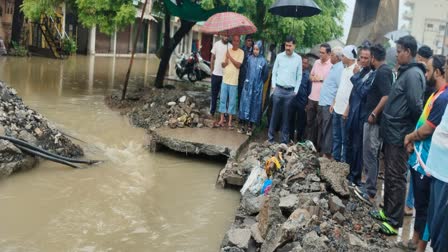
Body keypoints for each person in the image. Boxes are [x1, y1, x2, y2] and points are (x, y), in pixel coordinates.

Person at [370, 35, 426, 236]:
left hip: (399, 134)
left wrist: (409, 134)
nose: (397, 54)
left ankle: (394, 222)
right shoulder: (405, 73)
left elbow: (416, 108)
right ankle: (387, 211)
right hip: (392, 133)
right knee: (391, 177)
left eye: (400, 50)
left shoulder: (412, 76)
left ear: (408, 52)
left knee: (397, 176)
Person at [404, 55, 448, 251]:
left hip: (431, 164)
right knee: (425, 207)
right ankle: (416, 241)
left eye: (429, 70)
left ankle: (419, 245)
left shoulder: (443, 98)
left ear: (438, 72)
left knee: (426, 208)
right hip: (423, 159)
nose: (426, 74)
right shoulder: (436, 94)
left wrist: (411, 136)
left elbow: (429, 128)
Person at [355, 44, 393, 205]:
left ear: (373, 58)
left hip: (374, 122)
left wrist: (374, 113)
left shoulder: (383, 72)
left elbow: (386, 96)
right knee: (368, 154)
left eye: (368, 57)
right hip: (370, 119)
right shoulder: (381, 71)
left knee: (371, 154)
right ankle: (367, 187)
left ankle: (370, 192)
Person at [405, 45, 434, 216]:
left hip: (424, 138)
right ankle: (409, 204)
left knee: (418, 174)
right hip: (419, 134)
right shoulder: (432, 90)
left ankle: (410, 205)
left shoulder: (434, 90)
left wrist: (412, 136)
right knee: (414, 171)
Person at [268, 35, 302, 143]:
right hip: (278, 89)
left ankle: (284, 141)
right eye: (286, 45)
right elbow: (274, 72)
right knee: (274, 115)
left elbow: (299, 75)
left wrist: (295, 91)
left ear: (294, 46)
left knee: (287, 118)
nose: (288, 48)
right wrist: (273, 86)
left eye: (290, 45)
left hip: (290, 93)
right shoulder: (279, 56)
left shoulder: (298, 58)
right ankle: (270, 138)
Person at [331, 45, 358, 163]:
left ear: (348, 56)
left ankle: (343, 164)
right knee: (336, 136)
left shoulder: (355, 70)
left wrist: (347, 109)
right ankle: (335, 159)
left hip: (345, 111)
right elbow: (341, 88)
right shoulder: (345, 69)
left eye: (343, 56)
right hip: (337, 108)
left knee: (344, 140)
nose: (341, 58)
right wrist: (334, 102)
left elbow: (353, 93)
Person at [238, 40, 269, 136]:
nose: (255, 51)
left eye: (257, 49)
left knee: (254, 106)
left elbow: (265, 75)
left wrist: (259, 84)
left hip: (256, 88)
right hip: (247, 86)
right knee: (244, 104)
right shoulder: (249, 58)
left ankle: (250, 127)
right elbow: (245, 70)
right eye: (254, 49)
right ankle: (242, 125)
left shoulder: (263, 61)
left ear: (260, 50)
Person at [318, 46, 344, 158]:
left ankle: (327, 153)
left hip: (329, 103)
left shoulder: (339, 69)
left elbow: (339, 88)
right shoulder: (334, 67)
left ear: (337, 57)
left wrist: (333, 103)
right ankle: (324, 151)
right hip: (324, 102)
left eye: (332, 55)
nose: (330, 57)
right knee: (324, 128)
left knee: (328, 130)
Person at [305, 43, 332, 149]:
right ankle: (308, 145)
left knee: (320, 124)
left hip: (323, 100)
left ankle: (319, 147)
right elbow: (310, 76)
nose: (320, 54)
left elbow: (330, 82)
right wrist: (314, 78)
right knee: (309, 122)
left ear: (329, 54)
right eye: (320, 52)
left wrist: (320, 79)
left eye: (323, 53)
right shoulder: (316, 62)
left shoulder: (331, 65)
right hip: (312, 97)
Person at [216, 35, 244, 129]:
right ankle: (221, 119)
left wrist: (230, 57)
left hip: (234, 81)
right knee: (222, 100)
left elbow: (238, 65)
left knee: (232, 102)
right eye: (234, 41)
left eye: (237, 41)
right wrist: (225, 62)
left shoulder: (241, 52)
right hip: (225, 79)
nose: (236, 42)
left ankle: (230, 122)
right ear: (232, 42)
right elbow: (223, 65)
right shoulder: (227, 51)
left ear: (239, 42)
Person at [289, 56, 312, 142]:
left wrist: (307, 103)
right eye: (303, 62)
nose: (304, 64)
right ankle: (290, 138)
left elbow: (309, 90)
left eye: (306, 63)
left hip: (303, 101)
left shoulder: (308, 76)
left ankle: (299, 139)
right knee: (291, 119)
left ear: (307, 65)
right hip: (292, 100)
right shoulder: (295, 73)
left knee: (301, 121)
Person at [210, 36, 229, 117]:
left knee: (224, 96)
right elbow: (212, 58)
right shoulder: (216, 44)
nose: (226, 37)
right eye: (224, 35)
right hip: (216, 74)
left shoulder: (230, 46)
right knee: (214, 94)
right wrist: (211, 71)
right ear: (221, 35)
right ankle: (212, 112)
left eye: (227, 35)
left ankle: (223, 113)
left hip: (225, 75)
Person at [238, 35, 254, 106]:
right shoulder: (241, 50)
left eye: (251, 41)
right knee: (240, 92)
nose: (249, 42)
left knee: (248, 94)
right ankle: (239, 109)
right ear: (245, 41)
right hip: (241, 75)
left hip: (250, 75)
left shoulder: (254, 51)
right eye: (248, 41)